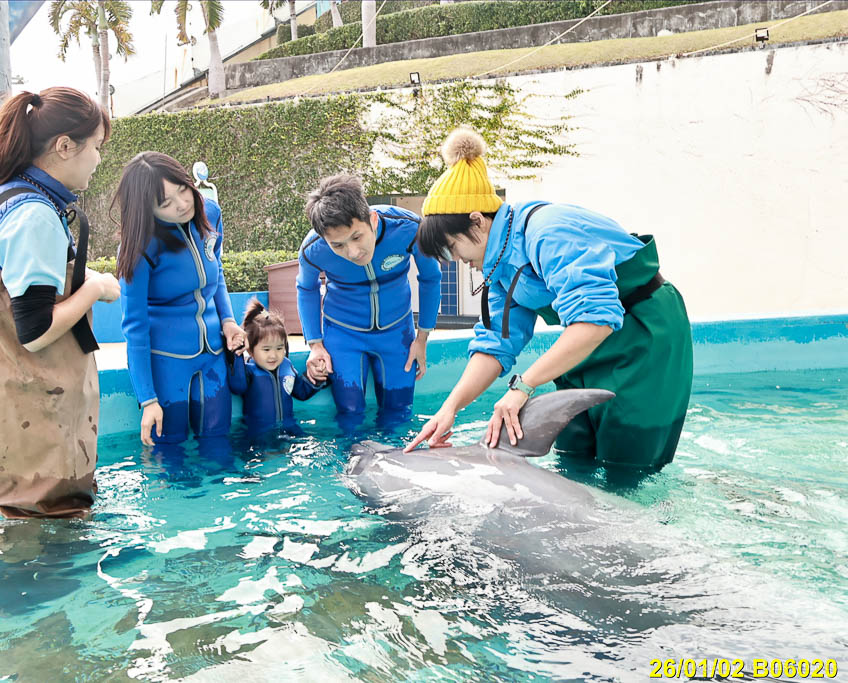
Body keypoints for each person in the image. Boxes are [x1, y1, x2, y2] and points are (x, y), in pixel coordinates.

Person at [405, 127, 693, 473]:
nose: (456, 261)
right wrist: (449, 409)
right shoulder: (499, 265)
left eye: (452, 248)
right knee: (574, 457)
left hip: (643, 335)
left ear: (477, 222)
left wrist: (523, 386)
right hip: (584, 345)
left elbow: (596, 320)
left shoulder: (547, 232)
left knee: (626, 465)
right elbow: (496, 345)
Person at [0, 87, 119, 518]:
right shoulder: (34, 216)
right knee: (46, 521)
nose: (99, 159)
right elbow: (36, 330)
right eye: (96, 146)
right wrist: (96, 289)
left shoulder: (9, 194)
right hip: (32, 404)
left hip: (13, 402)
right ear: (64, 146)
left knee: (25, 513)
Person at [114, 151, 245, 446]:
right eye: (166, 203)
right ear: (146, 210)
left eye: (183, 189)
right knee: (169, 452)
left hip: (213, 356)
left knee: (218, 444)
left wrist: (228, 321)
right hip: (167, 361)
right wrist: (148, 400)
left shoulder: (210, 213)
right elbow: (134, 326)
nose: (183, 204)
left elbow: (216, 271)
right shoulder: (138, 246)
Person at [299, 174, 442, 430]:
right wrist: (315, 344)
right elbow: (305, 288)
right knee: (349, 412)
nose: (353, 252)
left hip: (397, 332)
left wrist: (422, 339)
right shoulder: (313, 249)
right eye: (338, 245)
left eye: (357, 237)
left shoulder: (408, 228)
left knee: (399, 412)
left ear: (372, 220)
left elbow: (431, 277)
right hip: (343, 335)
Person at [228, 298, 326, 436]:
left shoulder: (287, 366)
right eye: (266, 349)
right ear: (250, 350)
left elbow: (301, 392)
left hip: (289, 427)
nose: (273, 355)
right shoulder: (249, 371)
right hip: (259, 433)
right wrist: (236, 354)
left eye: (279, 348)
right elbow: (237, 386)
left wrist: (320, 377)